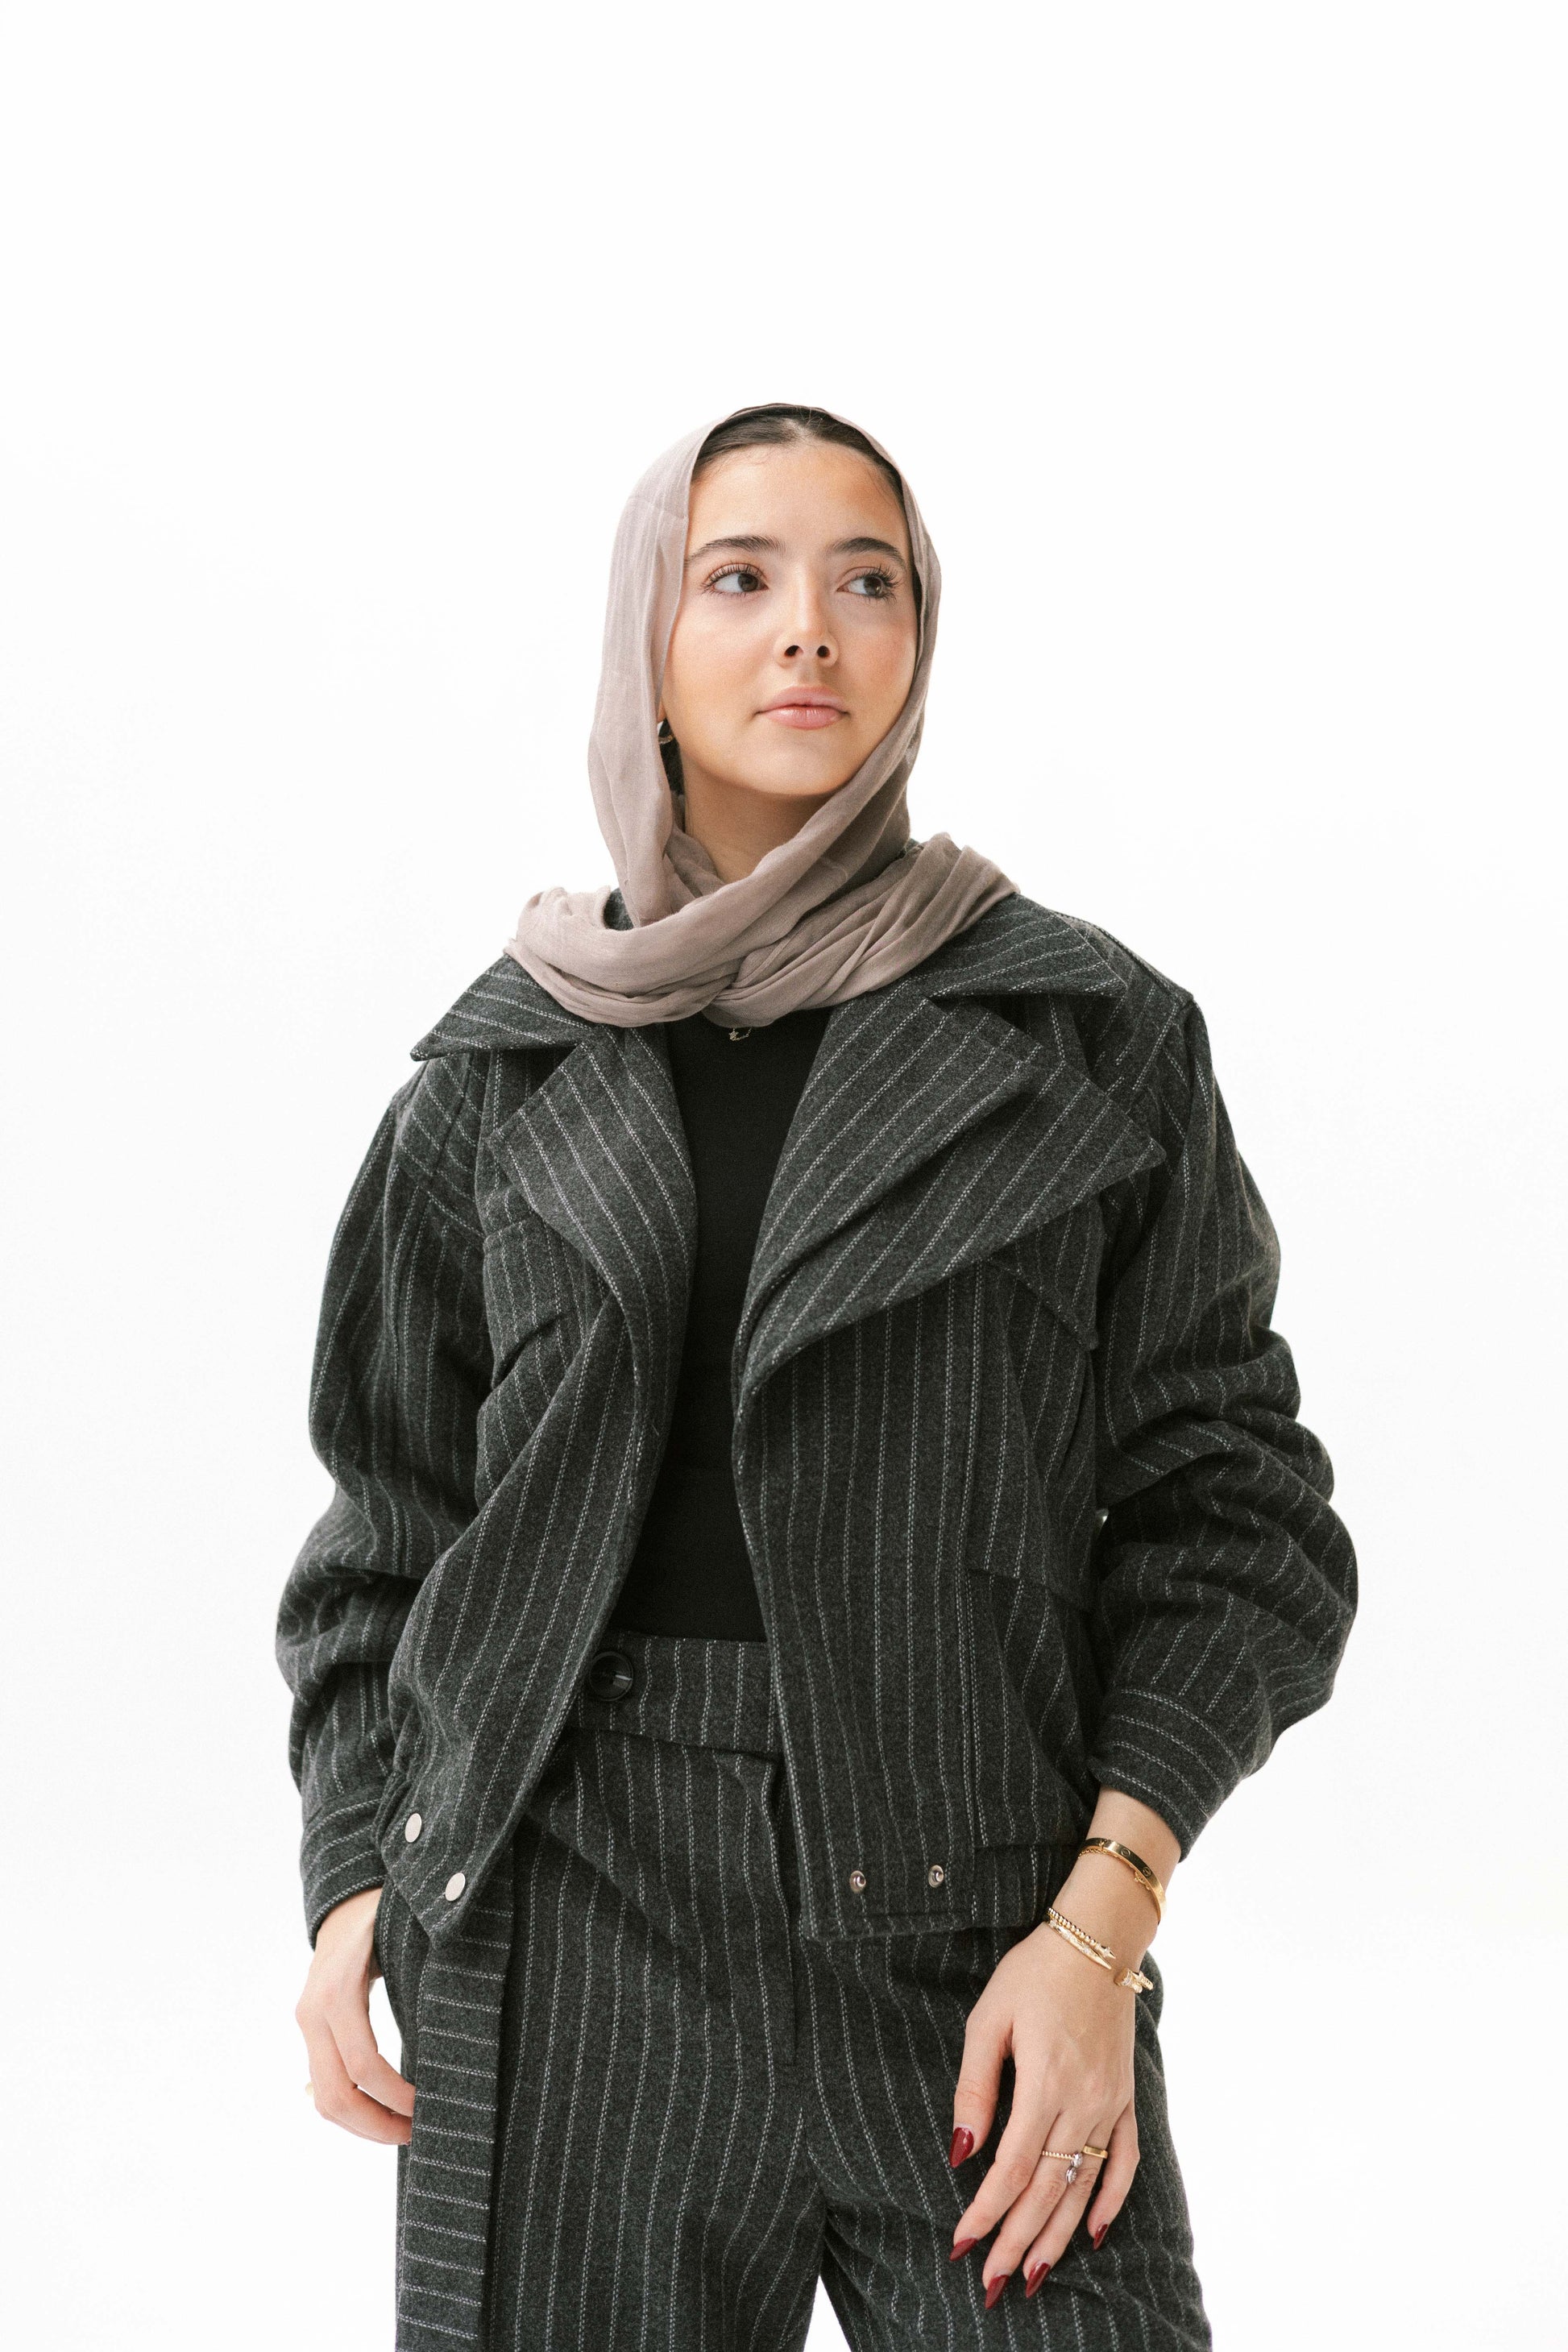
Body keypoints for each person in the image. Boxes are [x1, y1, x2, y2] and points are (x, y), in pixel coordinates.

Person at [277, 402, 1356, 2351]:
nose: (810, 629)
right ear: (647, 643)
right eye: (739, 578)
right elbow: (386, 1541)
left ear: (919, 639)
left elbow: (1238, 1521)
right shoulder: (503, 1076)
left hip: (982, 1928)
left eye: (868, 580)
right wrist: (362, 1872)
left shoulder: (1085, 1036)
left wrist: (1098, 1927)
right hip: (570, 1926)